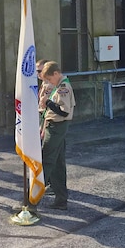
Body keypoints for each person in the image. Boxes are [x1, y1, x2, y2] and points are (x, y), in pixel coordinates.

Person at [38, 61, 74, 208]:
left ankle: (31, 200)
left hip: (57, 127)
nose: (49, 82)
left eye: (50, 79)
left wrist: (47, 102)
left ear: (56, 74)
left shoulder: (63, 88)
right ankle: (61, 200)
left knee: (46, 160)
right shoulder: (58, 85)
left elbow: (63, 111)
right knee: (58, 165)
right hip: (52, 124)